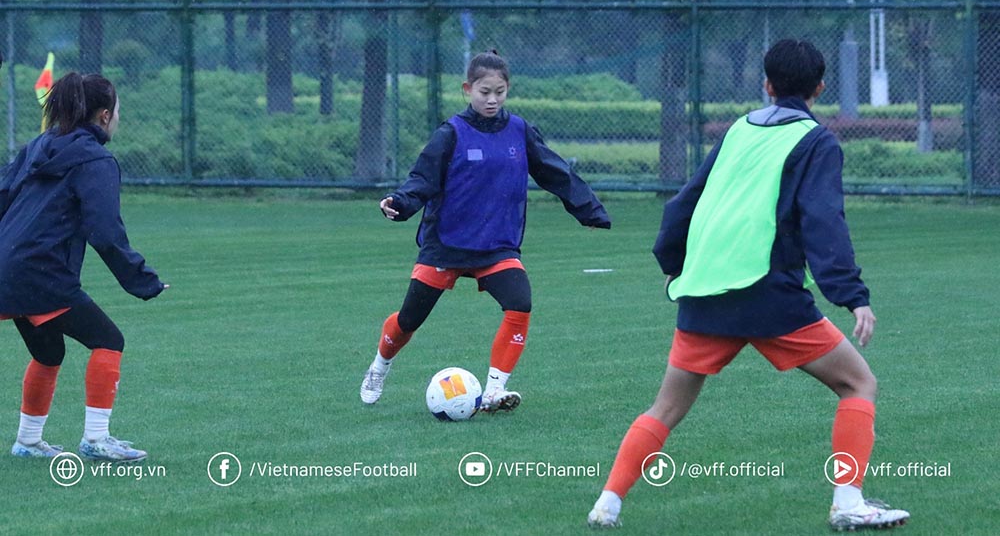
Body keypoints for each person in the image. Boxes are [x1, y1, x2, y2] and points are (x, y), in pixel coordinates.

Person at [586, 40, 909, 530]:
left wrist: (675, 264)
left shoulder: (738, 129)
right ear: (820, 87)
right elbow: (823, 220)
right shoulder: (816, 141)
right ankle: (848, 503)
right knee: (858, 382)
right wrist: (852, 295)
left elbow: (683, 203)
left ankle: (607, 503)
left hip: (706, 293)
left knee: (667, 407)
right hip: (769, 294)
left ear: (767, 84)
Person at [360, 50, 611, 412]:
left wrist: (589, 210)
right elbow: (423, 180)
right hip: (447, 244)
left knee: (519, 302)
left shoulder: (519, 131)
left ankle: (494, 390)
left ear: (508, 89)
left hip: (497, 245)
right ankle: (380, 366)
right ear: (467, 89)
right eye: (484, 92)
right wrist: (399, 203)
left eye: (499, 92)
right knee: (409, 319)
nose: (492, 99)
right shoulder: (450, 133)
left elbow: (555, 171)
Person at [0, 72, 167, 462]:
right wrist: (142, 280)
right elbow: (105, 232)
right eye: (118, 110)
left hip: (9, 266)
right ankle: (96, 439)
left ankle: (27, 441)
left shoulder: (40, 145)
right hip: (40, 272)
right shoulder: (96, 160)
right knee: (109, 340)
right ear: (104, 115)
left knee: (48, 353)